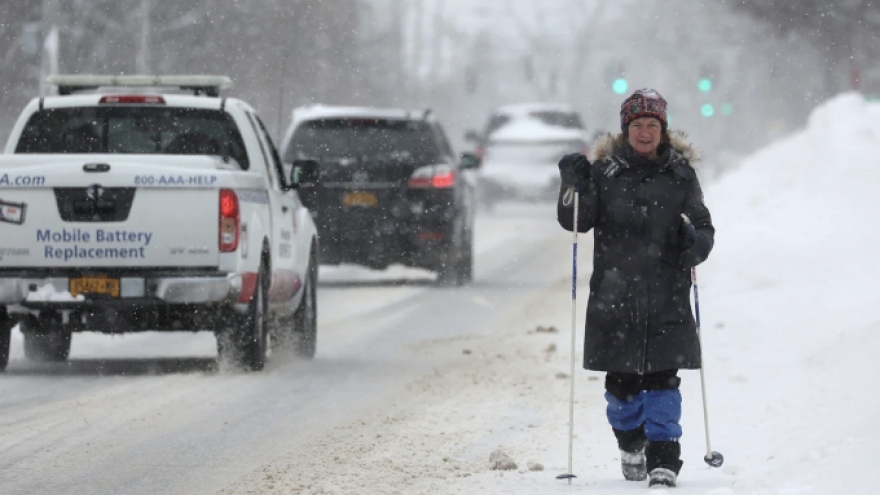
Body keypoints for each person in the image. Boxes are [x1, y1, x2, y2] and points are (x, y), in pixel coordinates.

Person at [556, 88, 714, 488]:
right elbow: (576, 221)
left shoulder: (680, 174)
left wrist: (698, 243)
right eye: (638, 125)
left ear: (663, 129)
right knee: (622, 388)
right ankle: (630, 444)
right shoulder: (604, 173)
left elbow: (703, 224)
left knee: (664, 381)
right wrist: (571, 183)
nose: (645, 132)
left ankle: (665, 461)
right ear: (626, 130)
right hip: (615, 297)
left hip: (666, 294)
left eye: (653, 125)